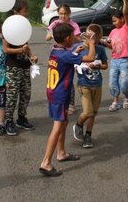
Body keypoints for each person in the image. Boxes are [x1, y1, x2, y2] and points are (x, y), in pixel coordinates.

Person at [39, 23, 95, 177]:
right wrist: (91, 43)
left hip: (52, 92)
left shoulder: (56, 50)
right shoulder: (66, 54)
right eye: (73, 36)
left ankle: (61, 152)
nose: (75, 38)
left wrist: (75, 52)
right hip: (60, 94)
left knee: (64, 122)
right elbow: (90, 58)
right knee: (58, 126)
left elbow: (67, 57)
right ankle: (46, 162)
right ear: (67, 38)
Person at [3, 0, 38, 136]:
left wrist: (32, 56)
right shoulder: (8, 28)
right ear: (15, 12)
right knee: (12, 96)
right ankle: (9, 121)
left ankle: (22, 118)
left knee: (25, 95)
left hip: (25, 67)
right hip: (13, 69)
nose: (27, 13)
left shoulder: (23, 27)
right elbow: (5, 49)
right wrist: (19, 50)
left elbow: (26, 47)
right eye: (25, 11)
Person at [72, 23, 108, 148]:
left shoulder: (101, 49)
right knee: (87, 111)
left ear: (98, 38)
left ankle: (88, 135)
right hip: (84, 84)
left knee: (93, 113)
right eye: (89, 36)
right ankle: (78, 124)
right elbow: (72, 62)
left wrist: (98, 65)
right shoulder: (79, 47)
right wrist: (78, 67)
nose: (92, 40)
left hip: (97, 84)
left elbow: (105, 65)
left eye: (95, 38)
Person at [45, 4, 82, 115]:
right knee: (58, 79)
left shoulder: (73, 24)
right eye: (61, 14)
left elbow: (78, 39)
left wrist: (70, 34)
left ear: (69, 14)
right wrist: (53, 34)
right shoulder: (55, 23)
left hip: (70, 54)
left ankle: (71, 104)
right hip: (57, 54)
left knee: (68, 79)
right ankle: (57, 100)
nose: (63, 16)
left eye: (65, 14)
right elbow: (47, 38)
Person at [101, 0, 128, 111]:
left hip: (125, 60)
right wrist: (105, 43)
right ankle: (115, 101)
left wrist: (125, 1)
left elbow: (125, 13)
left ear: (122, 19)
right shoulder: (113, 32)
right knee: (113, 82)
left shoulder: (127, 27)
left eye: (115, 21)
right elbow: (112, 46)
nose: (113, 23)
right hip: (114, 60)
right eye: (112, 21)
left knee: (124, 82)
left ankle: (126, 98)